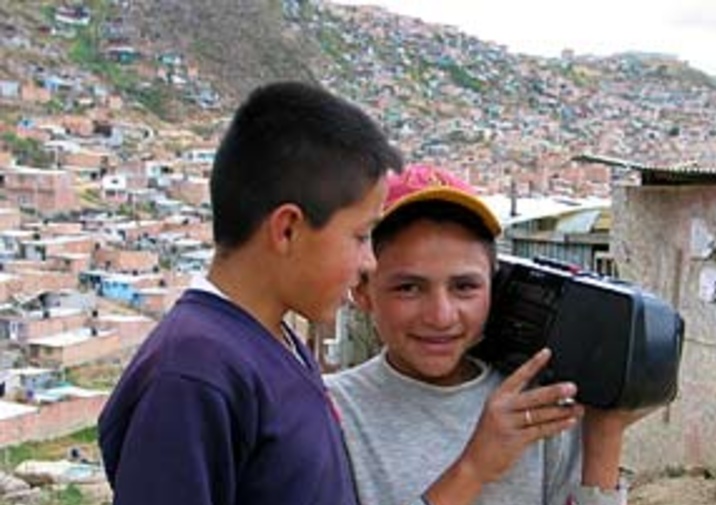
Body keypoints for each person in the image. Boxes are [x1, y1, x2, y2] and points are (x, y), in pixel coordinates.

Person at [98, 81, 403, 505]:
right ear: (288, 229)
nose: (369, 262)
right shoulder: (193, 374)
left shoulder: (275, 343)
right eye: (360, 236)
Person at [326, 165, 649, 505]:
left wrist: (604, 434)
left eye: (464, 287)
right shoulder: (331, 412)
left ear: (495, 287)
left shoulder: (535, 403)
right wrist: (473, 469)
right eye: (408, 288)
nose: (441, 316)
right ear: (362, 290)